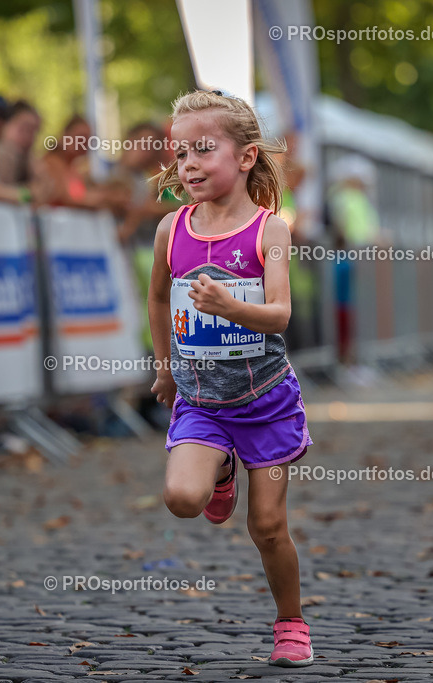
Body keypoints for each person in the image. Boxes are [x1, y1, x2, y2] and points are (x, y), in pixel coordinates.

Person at [147, 90, 314, 668]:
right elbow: (156, 298)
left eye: (203, 150)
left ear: (244, 158)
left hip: (264, 400)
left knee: (267, 527)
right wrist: (165, 366)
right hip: (201, 400)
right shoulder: (173, 228)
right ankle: (218, 468)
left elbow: (280, 315)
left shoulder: (271, 231)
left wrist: (228, 307)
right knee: (180, 497)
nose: (187, 164)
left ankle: (291, 622)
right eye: (180, 152)